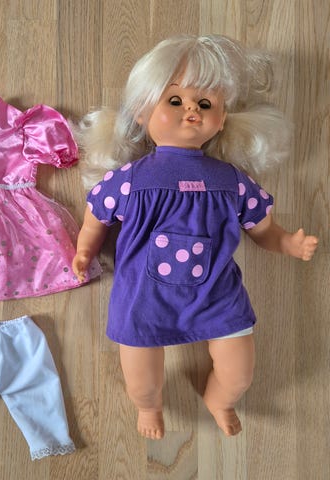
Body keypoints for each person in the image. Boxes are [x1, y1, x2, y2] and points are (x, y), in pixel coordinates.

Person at [71, 35, 318, 439]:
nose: (191, 110)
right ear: (142, 112)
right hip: (142, 299)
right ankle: (148, 407)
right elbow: (97, 214)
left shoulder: (232, 181)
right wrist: (85, 249)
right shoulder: (130, 180)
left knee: (239, 373)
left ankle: (221, 398)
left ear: (221, 119)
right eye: (175, 100)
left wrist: (287, 242)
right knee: (141, 382)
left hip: (216, 298)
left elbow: (262, 228)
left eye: (205, 104)